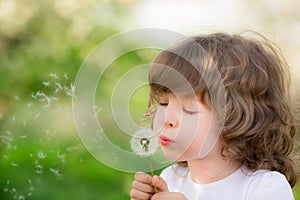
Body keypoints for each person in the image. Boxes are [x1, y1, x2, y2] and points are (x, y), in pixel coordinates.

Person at [130, 32, 298, 200]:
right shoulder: (171, 178)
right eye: (163, 103)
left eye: (188, 108)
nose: (166, 120)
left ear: (235, 118)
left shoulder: (264, 188)